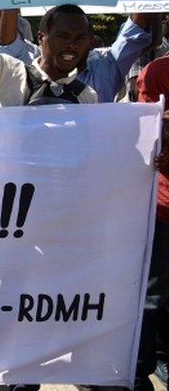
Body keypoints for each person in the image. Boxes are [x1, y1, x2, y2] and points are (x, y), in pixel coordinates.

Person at [0, 7, 154, 103]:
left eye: (80, 38)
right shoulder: (28, 66)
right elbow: (8, 45)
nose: (71, 44)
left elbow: (134, 31)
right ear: (41, 37)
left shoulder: (106, 68)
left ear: (91, 42)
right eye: (62, 37)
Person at [134, 55, 169, 391]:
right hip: (164, 208)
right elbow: (147, 134)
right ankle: (140, 368)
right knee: (153, 296)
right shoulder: (157, 71)